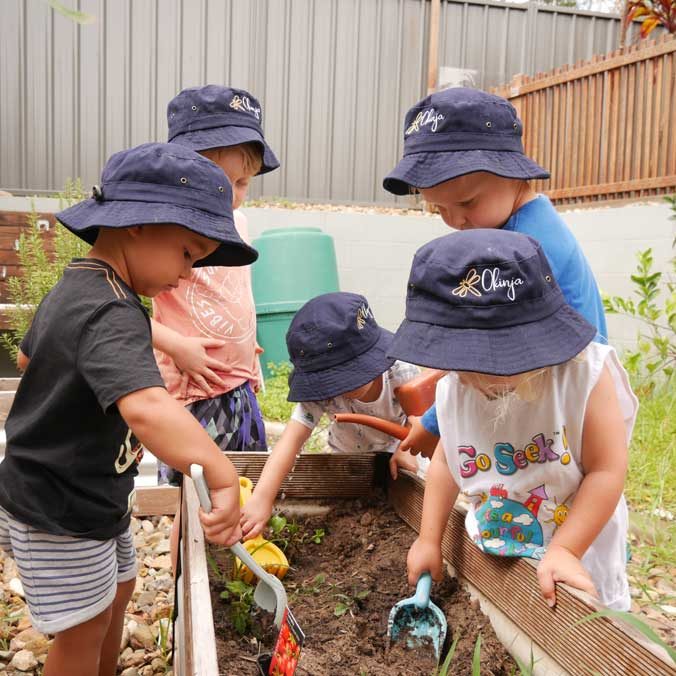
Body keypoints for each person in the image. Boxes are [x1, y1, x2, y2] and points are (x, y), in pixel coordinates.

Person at [0, 142, 249, 676]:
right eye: (189, 253)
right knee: (81, 629)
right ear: (137, 223)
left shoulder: (82, 285)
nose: (187, 275)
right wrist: (223, 473)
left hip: (92, 493)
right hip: (59, 506)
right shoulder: (108, 310)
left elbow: (26, 355)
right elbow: (148, 411)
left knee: (121, 586)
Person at [388, 228, 637, 610]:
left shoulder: (584, 374)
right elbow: (445, 461)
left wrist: (566, 549)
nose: (490, 374)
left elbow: (607, 470)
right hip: (497, 551)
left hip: (577, 555)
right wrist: (428, 539)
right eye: (473, 361)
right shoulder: (455, 388)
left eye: (507, 354)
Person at [383, 87, 609, 456]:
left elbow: (488, 353)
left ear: (513, 174)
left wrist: (434, 423)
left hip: (572, 409)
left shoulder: (526, 250)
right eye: (438, 209)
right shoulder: (515, 228)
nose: (455, 221)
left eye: (466, 202)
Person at [153, 86, 280, 486]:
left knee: (243, 482)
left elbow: (241, 295)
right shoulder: (164, 228)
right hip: (194, 390)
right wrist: (176, 346)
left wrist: (249, 346)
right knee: (194, 491)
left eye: (242, 183)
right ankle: (185, 552)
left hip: (240, 387)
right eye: (219, 181)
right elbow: (123, 310)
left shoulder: (239, 224)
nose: (232, 195)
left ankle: (237, 549)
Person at [240, 292, 421, 540]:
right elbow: (289, 443)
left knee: (412, 501)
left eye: (349, 376)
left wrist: (408, 448)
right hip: (346, 456)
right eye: (331, 382)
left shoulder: (401, 372)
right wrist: (261, 498)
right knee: (350, 513)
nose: (341, 390)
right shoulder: (319, 393)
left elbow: (422, 424)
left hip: (400, 452)